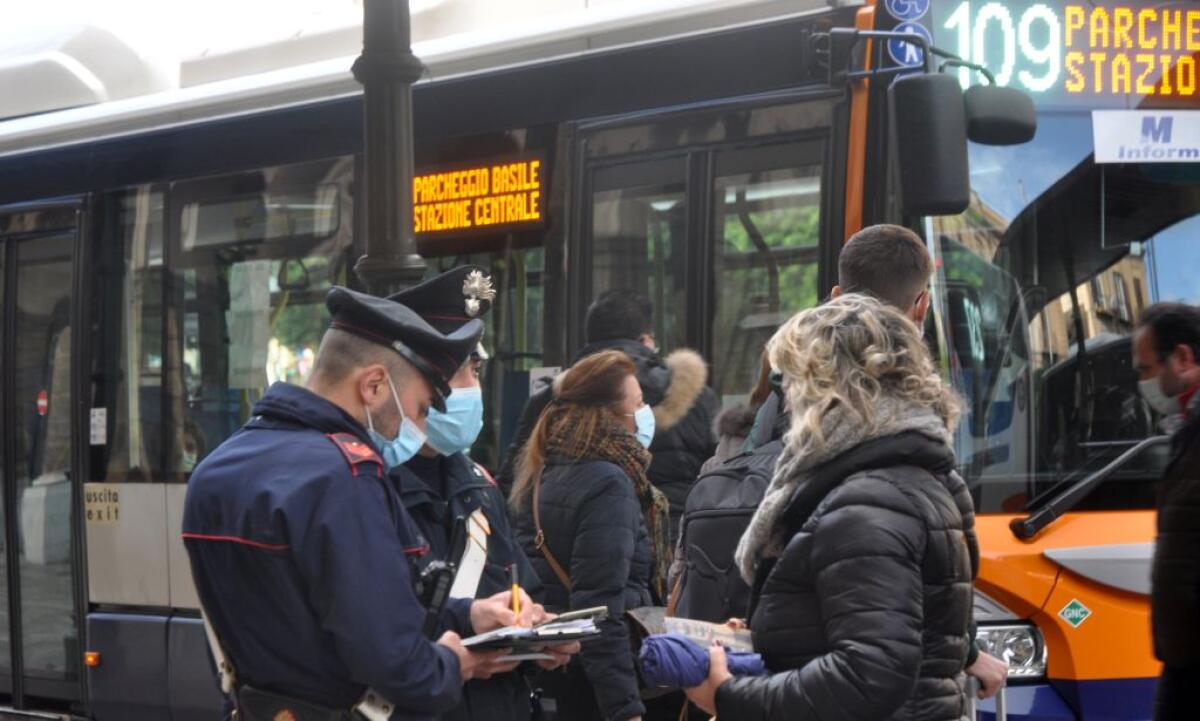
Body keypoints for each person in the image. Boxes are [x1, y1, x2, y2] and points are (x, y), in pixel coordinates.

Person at [183, 286, 541, 721]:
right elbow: (398, 662)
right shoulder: (345, 475)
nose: (419, 424)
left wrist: (467, 615)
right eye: (421, 408)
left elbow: (327, 607)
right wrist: (452, 662)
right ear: (373, 385)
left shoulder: (219, 465)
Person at [685, 294, 977, 721]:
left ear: (828, 385)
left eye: (794, 381)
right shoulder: (909, 476)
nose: (786, 401)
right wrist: (761, 640)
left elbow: (867, 674)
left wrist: (731, 696)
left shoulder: (868, 500)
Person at [387, 266, 562, 721]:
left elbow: (519, 587)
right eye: (462, 371)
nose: (474, 387)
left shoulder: (478, 484)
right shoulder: (370, 483)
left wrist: (540, 630)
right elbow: (376, 627)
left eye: (477, 369)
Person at [511, 350, 668, 721]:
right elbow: (600, 609)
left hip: (558, 673)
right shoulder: (608, 483)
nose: (647, 415)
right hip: (597, 685)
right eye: (639, 404)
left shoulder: (544, 471)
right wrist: (626, 709)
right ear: (610, 416)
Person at [499, 290, 718, 537]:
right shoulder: (698, 397)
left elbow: (513, 487)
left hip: (573, 546)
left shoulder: (549, 401)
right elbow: (720, 478)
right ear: (646, 340)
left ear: (589, 342)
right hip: (677, 543)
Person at [1131, 302, 1200, 721]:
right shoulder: (1186, 430)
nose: (1144, 382)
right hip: (1185, 656)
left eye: (1146, 368)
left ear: (1183, 357)